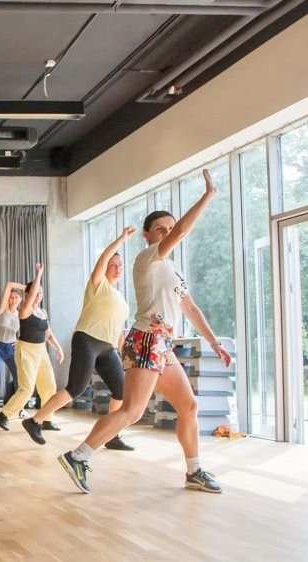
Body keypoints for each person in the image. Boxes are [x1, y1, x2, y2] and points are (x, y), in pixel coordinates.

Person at [59, 169, 231, 495]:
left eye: (168, 227)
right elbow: (180, 232)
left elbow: (190, 308)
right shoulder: (148, 259)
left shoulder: (173, 270)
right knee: (132, 411)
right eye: (159, 229)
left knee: (189, 406)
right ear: (147, 235)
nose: (166, 232)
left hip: (162, 344)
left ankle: (194, 470)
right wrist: (207, 196)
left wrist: (213, 342)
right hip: (147, 338)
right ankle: (78, 455)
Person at [22, 228, 135, 450]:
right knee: (76, 388)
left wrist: (126, 354)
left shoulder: (121, 298)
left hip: (108, 347)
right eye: (113, 264)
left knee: (121, 390)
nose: (117, 268)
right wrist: (121, 239)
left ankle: (112, 434)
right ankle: (34, 421)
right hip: (87, 340)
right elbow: (103, 260)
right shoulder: (98, 285)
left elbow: (119, 330)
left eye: (120, 265)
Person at [0, 263, 64, 431]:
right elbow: (31, 294)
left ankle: (46, 419)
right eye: (35, 293)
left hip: (41, 351)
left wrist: (58, 348)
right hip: (26, 350)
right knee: (27, 388)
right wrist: (39, 274)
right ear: (28, 294)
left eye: (40, 293)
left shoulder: (42, 312)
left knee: (49, 386)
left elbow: (49, 334)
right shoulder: (25, 309)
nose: (38, 295)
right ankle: (3, 415)